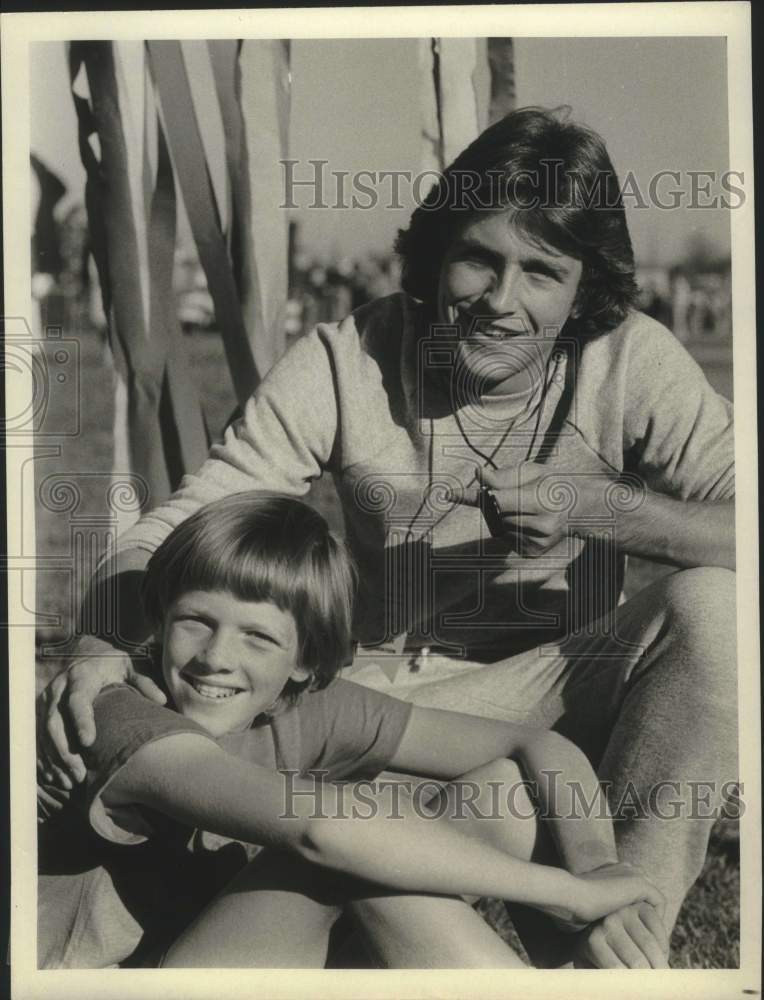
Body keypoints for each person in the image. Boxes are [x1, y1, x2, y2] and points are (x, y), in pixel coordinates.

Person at [39, 106, 737, 968]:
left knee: (721, 609)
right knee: (200, 712)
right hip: (385, 706)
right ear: (440, 252)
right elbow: (195, 512)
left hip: (556, 697)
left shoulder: (635, 359)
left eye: (541, 272)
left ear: (584, 288)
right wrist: (99, 643)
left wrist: (604, 508)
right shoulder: (351, 353)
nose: (501, 302)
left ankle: (629, 945)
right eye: (479, 258)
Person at [38, 492, 667, 969]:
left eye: (258, 636)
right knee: (350, 853)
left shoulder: (304, 704)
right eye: (196, 621)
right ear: (158, 619)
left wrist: (596, 870)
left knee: (502, 789)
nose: (217, 657)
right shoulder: (114, 710)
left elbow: (538, 744)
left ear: (306, 659)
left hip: (241, 952)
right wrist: (563, 894)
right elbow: (322, 832)